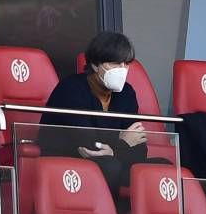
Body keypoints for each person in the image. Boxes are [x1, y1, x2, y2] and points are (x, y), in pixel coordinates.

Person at [38, 31, 165, 200]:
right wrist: (123, 141)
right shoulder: (71, 88)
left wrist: (115, 148)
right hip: (67, 159)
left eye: (125, 64)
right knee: (110, 165)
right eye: (114, 64)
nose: (122, 69)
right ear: (96, 65)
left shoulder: (126, 92)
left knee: (163, 166)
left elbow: (140, 148)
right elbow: (87, 144)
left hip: (114, 157)